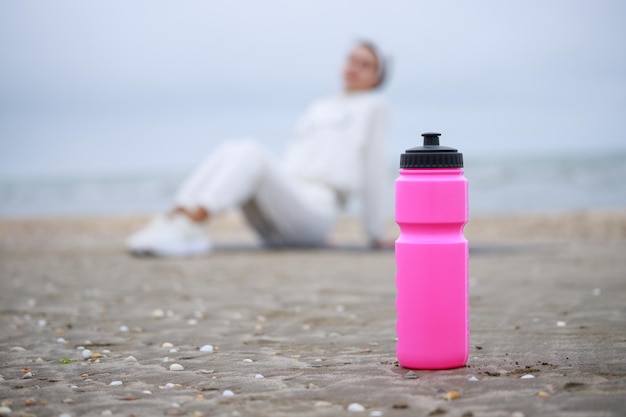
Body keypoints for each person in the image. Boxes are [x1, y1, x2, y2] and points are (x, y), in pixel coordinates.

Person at [127, 40, 391, 257]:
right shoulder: (318, 108)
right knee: (234, 147)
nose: (354, 68)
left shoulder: (373, 107)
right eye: (352, 60)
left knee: (252, 151)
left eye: (365, 65)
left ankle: (194, 224)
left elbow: (374, 170)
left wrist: (375, 234)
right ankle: (176, 215)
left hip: (318, 208)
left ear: (377, 77)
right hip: (285, 204)